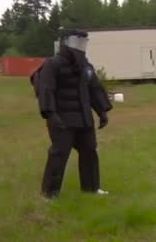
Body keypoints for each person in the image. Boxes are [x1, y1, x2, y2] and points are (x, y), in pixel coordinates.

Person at [33, 28, 113, 200]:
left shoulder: (86, 67)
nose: (81, 46)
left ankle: (91, 188)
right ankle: (49, 194)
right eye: (77, 42)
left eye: (84, 42)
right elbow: (46, 90)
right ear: (66, 42)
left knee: (90, 152)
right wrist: (51, 114)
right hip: (62, 120)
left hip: (84, 120)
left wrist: (102, 112)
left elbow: (95, 90)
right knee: (59, 154)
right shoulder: (52, 65)